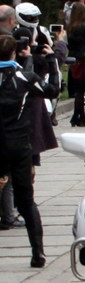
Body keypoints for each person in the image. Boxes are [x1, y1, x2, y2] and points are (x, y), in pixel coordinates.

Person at [0, 34, 59, 267]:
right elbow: (52, 90)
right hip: (19, 147)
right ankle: (38, 252)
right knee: (26, 201)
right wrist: (52, 60)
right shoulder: (25, 77)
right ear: (14, 53)